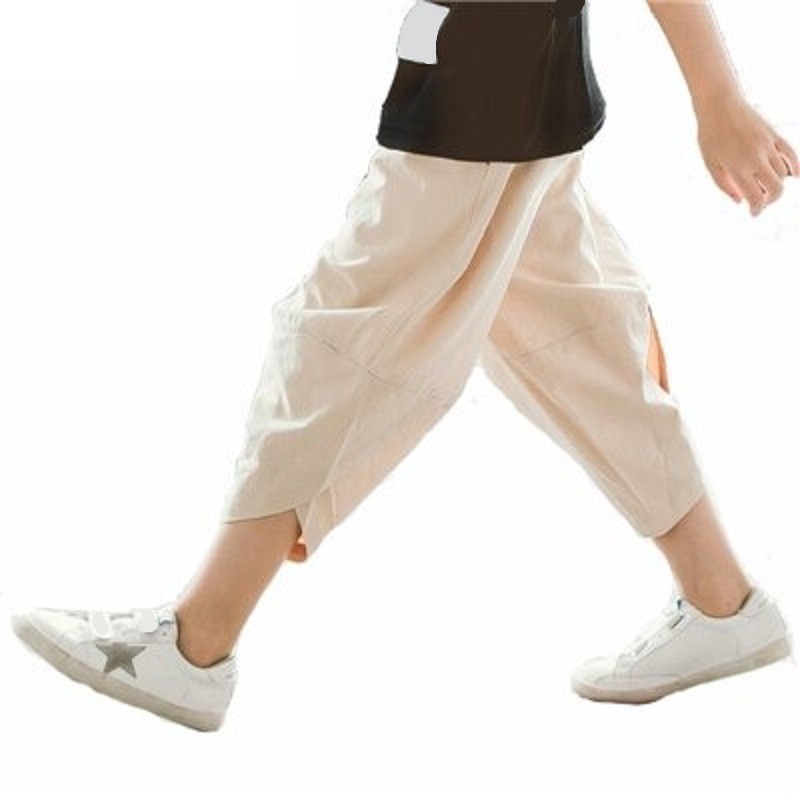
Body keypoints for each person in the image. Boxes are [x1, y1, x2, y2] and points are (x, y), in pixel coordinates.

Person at [8, 0, 797, 732]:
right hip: (513, 77)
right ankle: (722, 601)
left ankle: (195, 643)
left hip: (483, 87)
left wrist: (717, 97)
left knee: (333, 348)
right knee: (581, 350)